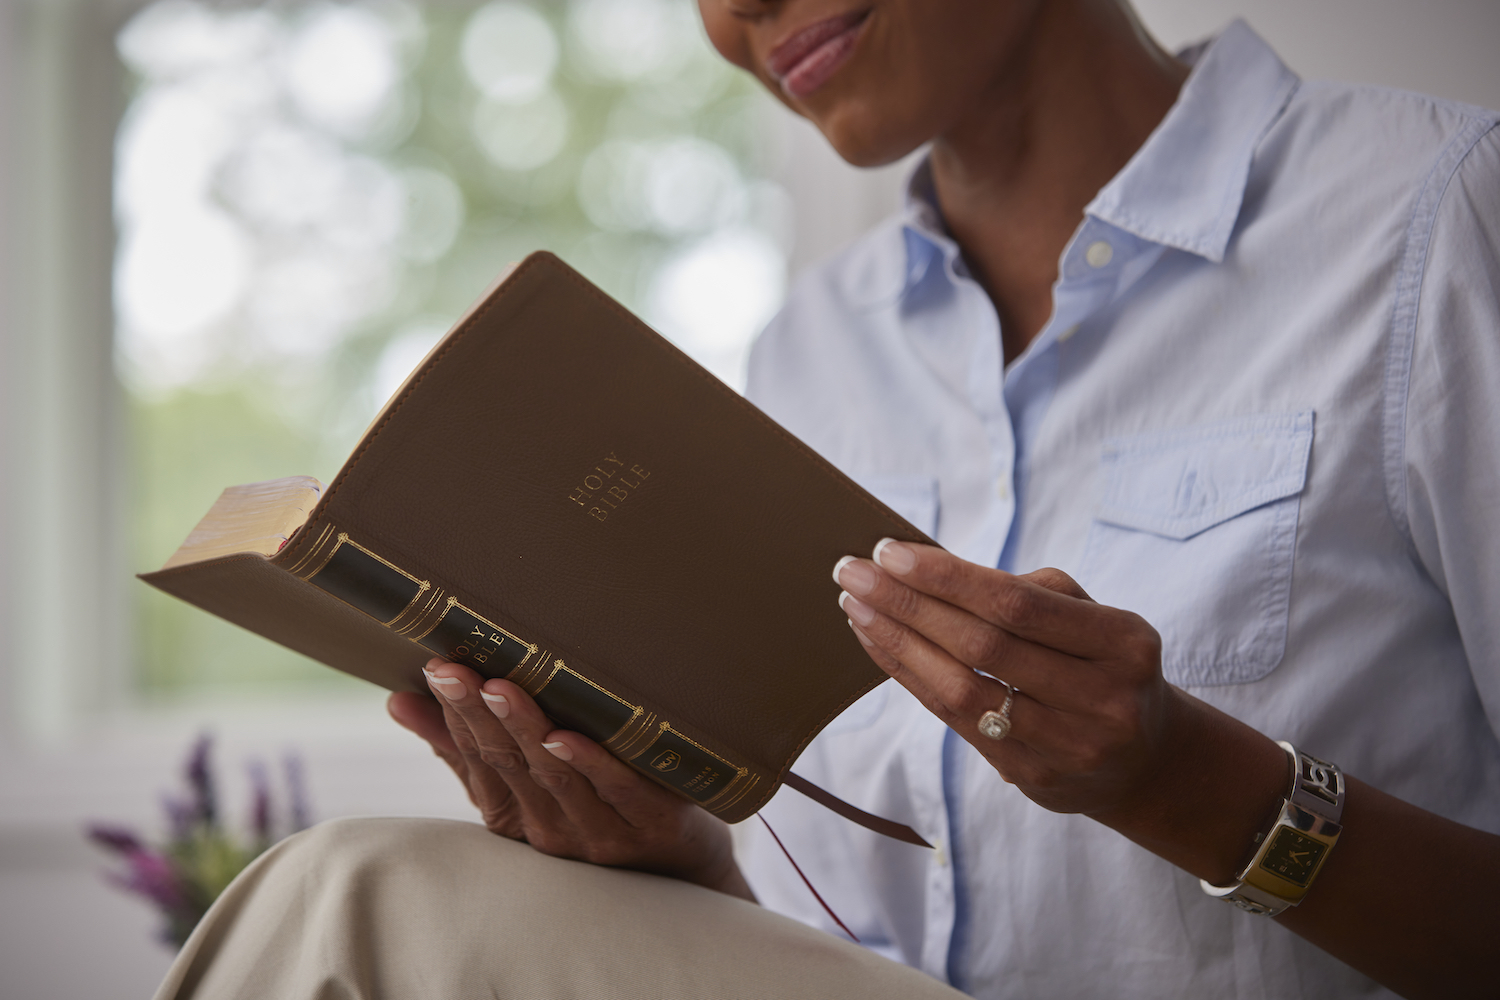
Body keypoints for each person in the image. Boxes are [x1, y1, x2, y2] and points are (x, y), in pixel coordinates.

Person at [152, 1, 1500, 998]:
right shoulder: (806, 358)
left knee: (354, 902)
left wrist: (1190, 784)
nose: (735, 14)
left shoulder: (1433, 217)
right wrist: (681, 873)